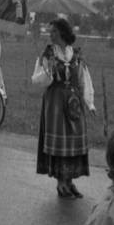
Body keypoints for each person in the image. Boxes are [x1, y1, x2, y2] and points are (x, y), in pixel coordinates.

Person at [32, 17, 96, 199]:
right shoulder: (48, 54)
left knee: (74, 141)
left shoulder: (76, 54)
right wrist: (50, 72)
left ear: (63, 33)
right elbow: (38, 80)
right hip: (55, 104)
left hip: (74, 103)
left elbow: (84, 79)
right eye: (49, 31)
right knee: (60, 144)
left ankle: (70, 181)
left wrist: (89, 103)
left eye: (53, 31)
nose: (50, 35)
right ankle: (61, 184)